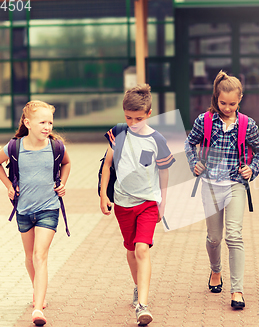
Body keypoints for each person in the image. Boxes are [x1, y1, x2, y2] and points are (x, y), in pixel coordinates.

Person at [184, 71, 259, 309]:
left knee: (234, 235)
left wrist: (252, 169)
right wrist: (194, 163)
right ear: (215, 98)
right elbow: (189, 143)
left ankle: (237, 290)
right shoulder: (205, 121)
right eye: (223, 103)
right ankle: (215, 270)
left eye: (232, 103)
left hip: (235, 186)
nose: (227, 108)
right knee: (214, 237)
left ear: (240, 99)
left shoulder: (247, 124)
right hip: (210, 186)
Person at [99, 84, 175, 325]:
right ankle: (137, 286)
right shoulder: (118, 133)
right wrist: (103, 194)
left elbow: (164, 172)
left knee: (142, 249)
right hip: (122, 203)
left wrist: (163, 202)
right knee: (131, 250)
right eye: (128, 117)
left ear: (149, 113)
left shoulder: (157, 140)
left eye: (138, 118)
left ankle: (142, 305)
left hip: (148, 203)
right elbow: (107, 165)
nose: (133, 122)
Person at [0, 101, 71, 326]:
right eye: (42, 122)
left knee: (40, 255)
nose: (47, 126)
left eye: (50, 122)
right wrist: (8, 185)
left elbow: (66, 164)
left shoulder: (56, 146)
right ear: (27, 123)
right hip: (24, 210)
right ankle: (38, 291)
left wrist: (62, 184)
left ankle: (38, 308)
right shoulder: (15, 147)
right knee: (29, 256)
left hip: (49, 208)